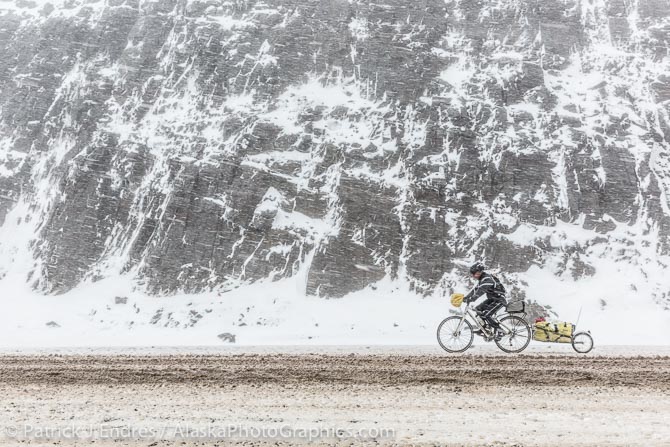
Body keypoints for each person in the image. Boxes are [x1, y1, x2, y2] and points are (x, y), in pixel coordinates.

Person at [464, 262, 507, 340]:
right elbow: (475, 290)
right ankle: (484, 329)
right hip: (492, 299)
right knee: (478, 309)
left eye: (475, 273)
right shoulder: (482, 279)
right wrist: (466, 297)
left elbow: (481, 290)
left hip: (499, 299)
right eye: (473, 274)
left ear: (480, 272)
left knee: (486, 314)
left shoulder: (487, 278)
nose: (473, 275)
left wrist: (472, 299)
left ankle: (501, 331)